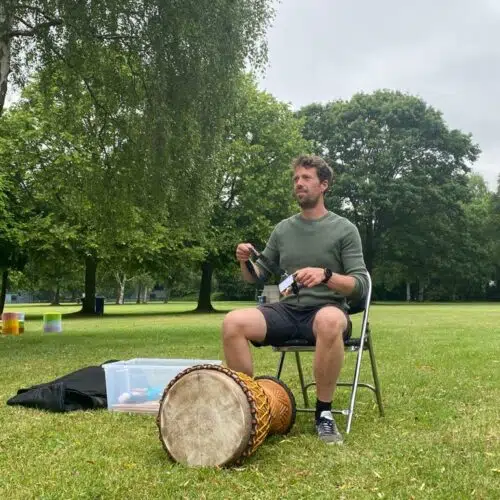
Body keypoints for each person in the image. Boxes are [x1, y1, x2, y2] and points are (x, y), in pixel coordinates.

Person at [221, 154, 369, 444]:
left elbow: (360, 286)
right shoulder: (283, 229)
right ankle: (248, 407)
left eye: (306, 178)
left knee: (329, 320)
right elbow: (257, 277)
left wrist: (326, 275)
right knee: (233, 322)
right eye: (296, 179)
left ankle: (324, 414)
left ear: (324, 185)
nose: (298, 183)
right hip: (287, 312)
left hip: (327, 311)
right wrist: (244, 261)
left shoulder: (344, 229)